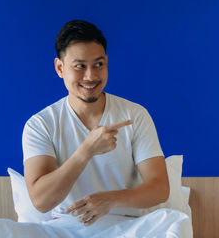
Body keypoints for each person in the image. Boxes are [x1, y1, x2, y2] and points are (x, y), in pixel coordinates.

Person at [22, 20, 169, 226]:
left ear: (106, 63)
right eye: (80, 66)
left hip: (126, 228)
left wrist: (111, 199)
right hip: (67, 230)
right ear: (60, 68)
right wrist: (86, 151)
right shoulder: (41, 125)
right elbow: (41, 201)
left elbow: (160, 188)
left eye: (98, 64)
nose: (90, 76)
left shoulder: (135, 115)